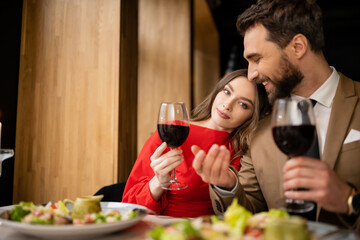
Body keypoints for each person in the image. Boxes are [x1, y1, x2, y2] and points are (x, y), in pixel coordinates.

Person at [191, 0, 360, 231]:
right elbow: (250, 211)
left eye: (256, 59)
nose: (251, 75)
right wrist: (227, 185)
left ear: (298, 46)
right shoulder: (260, 130)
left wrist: (349, 201)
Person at [122, 69, 270, 218]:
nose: (227, 105)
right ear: (218, 90)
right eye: (226, 92)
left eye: (243, 105)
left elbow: (247, 212)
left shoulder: (246, 150)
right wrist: (158, 182)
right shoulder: (172, 130)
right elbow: (129, 206)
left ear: (253, 115)